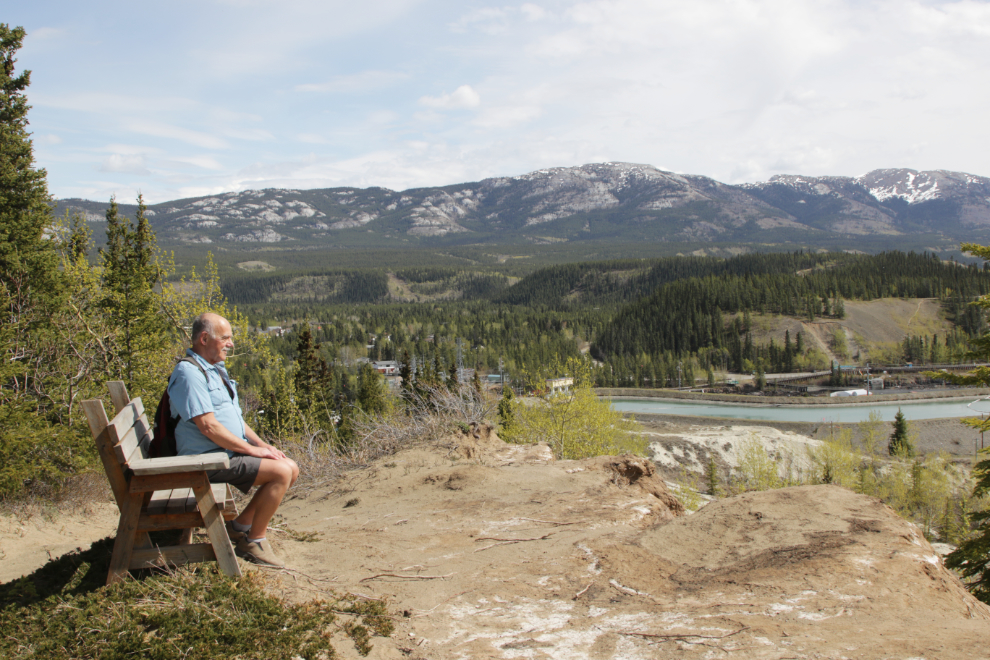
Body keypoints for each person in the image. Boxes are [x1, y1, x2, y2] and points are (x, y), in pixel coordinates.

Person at [168, 312, 299, 567]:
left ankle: (239, 526)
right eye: (225, 338)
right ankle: (253, 541)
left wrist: (262, 445)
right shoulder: (189, 373)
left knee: (290, 468)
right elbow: (209, 427)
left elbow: (235, 420)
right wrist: (252, 451)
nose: (231, 343)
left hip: (220, 453)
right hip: (204, 461)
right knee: (281, 473)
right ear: (204, 338)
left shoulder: (214, 370)